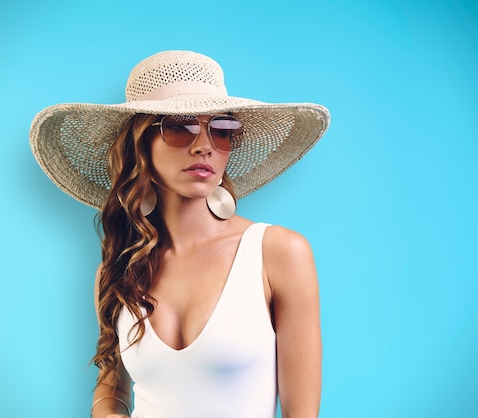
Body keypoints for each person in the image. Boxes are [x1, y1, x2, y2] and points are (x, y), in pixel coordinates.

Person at [29, 50, 330, 418]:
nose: (204, 145)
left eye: (221, 130)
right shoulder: (119, 269)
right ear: (140, 145)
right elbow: (113, 385)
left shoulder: (278, 253)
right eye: (180, 126)